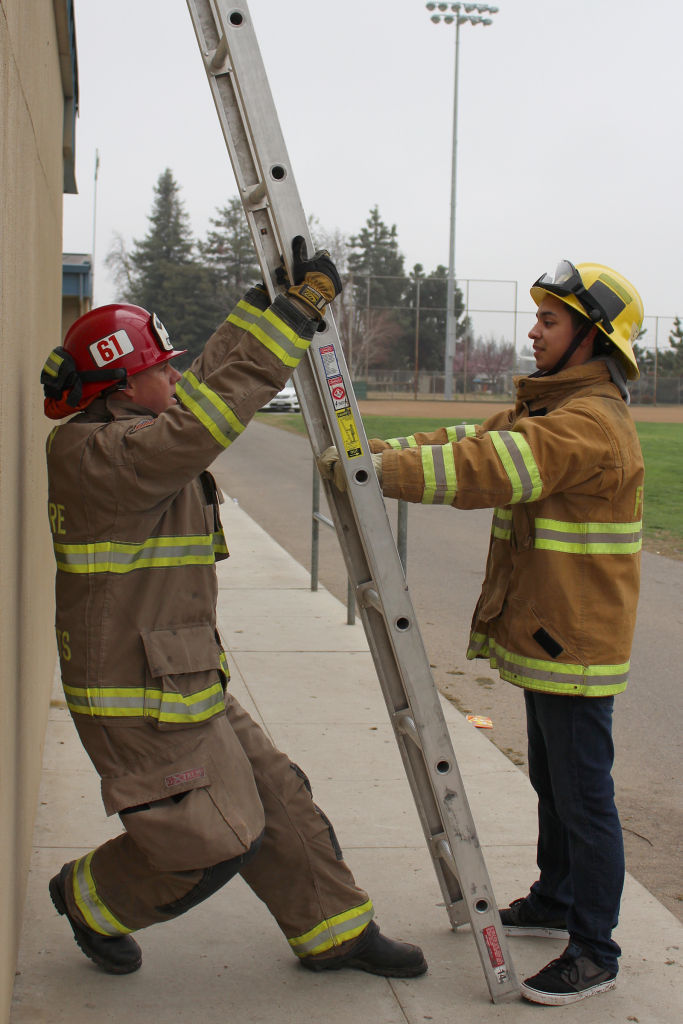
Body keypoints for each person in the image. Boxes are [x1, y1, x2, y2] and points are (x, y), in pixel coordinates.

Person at [40, 237, 426, 981]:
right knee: (210, 843)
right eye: (157, 366)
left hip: (180, 677)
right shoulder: (102, 456)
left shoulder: (135, 431)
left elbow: (201, 389)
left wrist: (261, 309)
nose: (173, 373)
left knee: (280, 799)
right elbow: (207, 417)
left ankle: (333, 932)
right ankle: (89, 899)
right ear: (120, 389)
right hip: (140, 704)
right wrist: (292, 322)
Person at [320, 260, 644, 1006]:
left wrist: (372, 478)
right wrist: (377, 455)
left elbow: (485, 466)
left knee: (583, 797)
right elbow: (469, 433)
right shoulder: (555, 408)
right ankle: (556, 899)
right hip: (552, 637)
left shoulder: (588, 425)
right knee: (553, 783)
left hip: (577, 646)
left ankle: (594, 950)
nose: (532, 331)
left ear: (590, 338)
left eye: (550, 321)